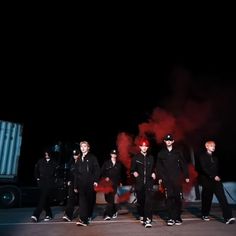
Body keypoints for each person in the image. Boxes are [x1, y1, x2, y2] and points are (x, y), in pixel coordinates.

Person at [198, 140, 235, 224]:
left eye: (214, 146)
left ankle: (228, 217)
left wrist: (217, 177)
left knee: (222, 198)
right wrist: (213, 176)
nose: (213, 147)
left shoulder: (215, 158)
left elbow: (217, 170)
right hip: (207, 181)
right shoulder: (202, 156)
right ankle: (205, 214)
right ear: (206, 146)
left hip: (216, 181)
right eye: (211, 146)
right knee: (207, 198)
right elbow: (204, 168)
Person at [156, 134, 189, 226]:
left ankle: (177, 217)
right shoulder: (161, 153)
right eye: (167, 140)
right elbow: (159, 167)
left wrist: (186, 176)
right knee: (169, 198)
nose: (168, 141)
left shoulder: (178, 152)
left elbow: (183, 164)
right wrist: (160, 178)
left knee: (178, 198)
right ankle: (170, 218)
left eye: (170, 140)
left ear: (173, 141)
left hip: (177, 179)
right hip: (166, 180)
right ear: (165, 142)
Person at [130, 139, 156, 228]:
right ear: (140, 147)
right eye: (142, 146)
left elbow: (154, 169)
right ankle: (142, 214)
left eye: (146, 146)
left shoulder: (151, 157)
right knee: (141, 201)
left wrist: (154, 173)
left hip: (149, 183)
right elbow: (132, 170)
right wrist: (134, 173)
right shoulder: (136, 158)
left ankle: (148, 219)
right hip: (139, 183)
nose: (144, 147)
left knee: (149, 201)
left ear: (147, 147)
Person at [74, 141, 100, 226]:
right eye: (81, 146)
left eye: (85, 146)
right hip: (81, 184)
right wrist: (75, 185)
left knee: (90, 201)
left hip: (90, 183)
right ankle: (83, 220)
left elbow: (97, 170)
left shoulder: (92, 158)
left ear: (88, 147)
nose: (83, 148)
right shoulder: (78, 158)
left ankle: (88, 215)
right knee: (82, 202)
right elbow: (76, 173)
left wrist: (95, 180)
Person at [31, 150, 59, 222]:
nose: (46, 155)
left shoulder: (54, 162)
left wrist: (55, 181)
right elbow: (36, 170)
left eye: (48, 154)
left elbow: (57, 173)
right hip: (42, 182)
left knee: (43, 198)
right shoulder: (40, 161)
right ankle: (49, 214)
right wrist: (38, 179)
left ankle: (36, 215)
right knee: (45, 199)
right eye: (45, 154)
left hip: (50, 183)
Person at [101, 149, 123, 220]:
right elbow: (102, 172)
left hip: (115, 184)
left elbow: (120, 175)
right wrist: (105, 177)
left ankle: (107, 214)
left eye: (115, 154)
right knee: (108, 198)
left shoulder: (119, 164)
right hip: (107, 184)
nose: (114, 155)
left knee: (111, 199)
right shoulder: (106, 163)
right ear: (111, 154)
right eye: (113, 154)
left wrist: (120, 182)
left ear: (116, 155)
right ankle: (114, 211)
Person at [62, 149, 80, 222]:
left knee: (82, 200)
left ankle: (85, 214)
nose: (75, 156)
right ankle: (68, 215)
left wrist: (76, 186)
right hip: (72, 183)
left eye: (76, 155)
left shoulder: (82, 162)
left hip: (80, 183)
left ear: (79, 154)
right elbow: (70, 173)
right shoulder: (71, 163)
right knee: (70, 199)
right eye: (73, 155)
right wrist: (68, 180)